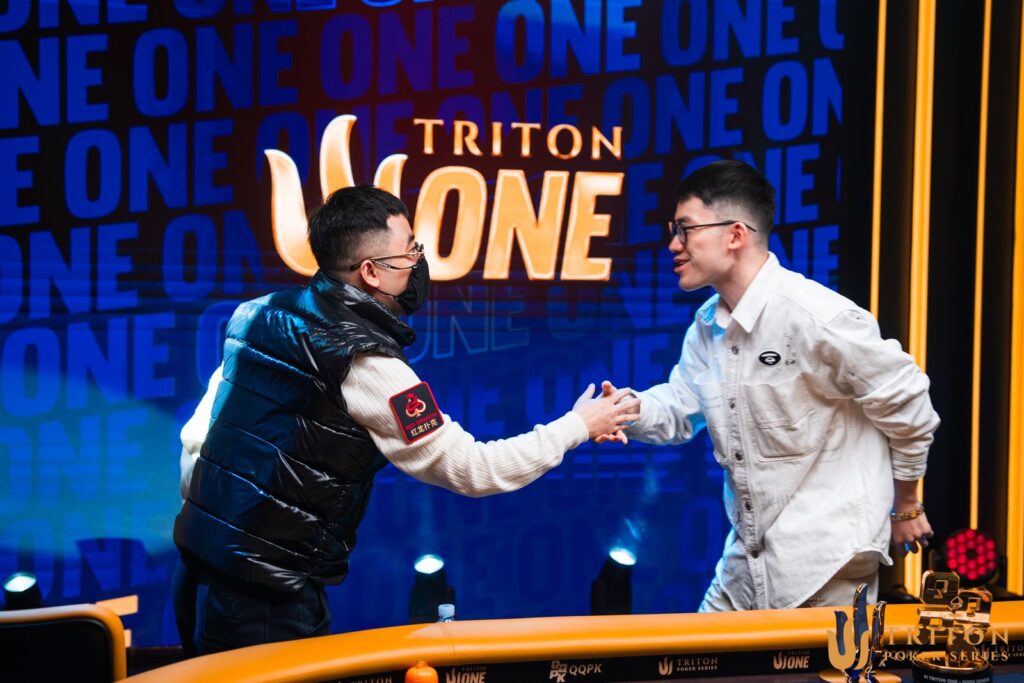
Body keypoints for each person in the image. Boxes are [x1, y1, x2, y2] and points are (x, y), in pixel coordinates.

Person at [172, 185, 639, 654]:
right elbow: (474, 468)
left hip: (197, 569)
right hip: (266, 600)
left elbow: (197, 441)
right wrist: (579, 425)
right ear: (371, 271)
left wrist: (218, 533)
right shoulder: (366, 363)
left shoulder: (257, 314)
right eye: (410, 249)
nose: (419, 260)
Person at [599, 159, 940, 611]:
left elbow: (909, 402)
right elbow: (681, 407)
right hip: (747, 562)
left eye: (685, 229)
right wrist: (626, 409)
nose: (673, 245)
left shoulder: (815, 315)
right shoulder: (707, 325)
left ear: (735, 234)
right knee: (694, 652)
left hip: (827, 562)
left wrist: (907, 503)